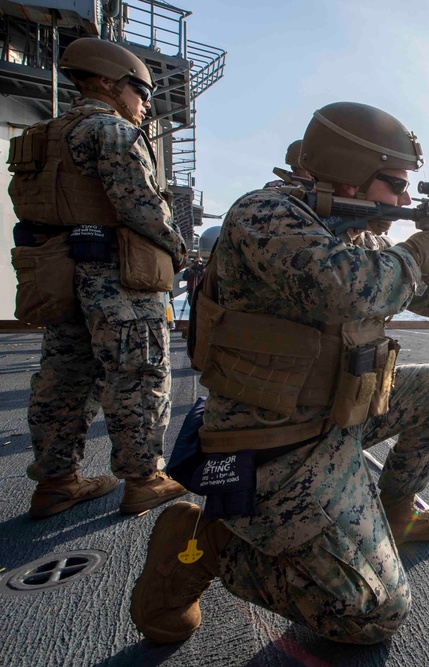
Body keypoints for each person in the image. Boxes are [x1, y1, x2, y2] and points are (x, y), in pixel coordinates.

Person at [130, 102, 429, 646]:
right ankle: (208, 547)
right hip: (276, 440)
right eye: (395, 184)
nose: (406, 200)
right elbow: (355, 287)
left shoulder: (358, 233)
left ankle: (396, 512)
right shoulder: (267, 217)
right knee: (372, 616)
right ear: (349, 168)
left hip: (339, 415)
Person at [7, 38, 188, 519]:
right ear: (108, 83)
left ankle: (56, 482)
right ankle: (144, 479)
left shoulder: (41, 136)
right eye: (140, 90)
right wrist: (179, 251)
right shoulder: (111, 131)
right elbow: (141, 207)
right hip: (116, 276)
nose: (144, 102)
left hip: (57, 271)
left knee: (64, 376)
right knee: (138, 373)